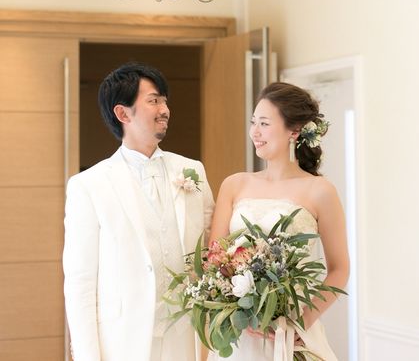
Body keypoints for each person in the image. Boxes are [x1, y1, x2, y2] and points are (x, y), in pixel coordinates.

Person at [63, 62, 214, 361]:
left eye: (165, 101)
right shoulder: (89, 185)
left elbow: (212, 249)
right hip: (123, 342)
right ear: (123, 113)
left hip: (186, 338)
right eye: (154, 100)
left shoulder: (192, 170)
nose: (165, 110)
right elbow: (80, 282)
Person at [209, 82, 350, 360]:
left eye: (264, 123)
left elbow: (339, 269)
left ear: (293, 131)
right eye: (253, 122)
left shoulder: (321, 191)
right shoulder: (234, 184)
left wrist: (302, 322)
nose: (255, 132)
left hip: (291, 329)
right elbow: (215, 259)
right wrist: (235, 308)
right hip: (241, 335)